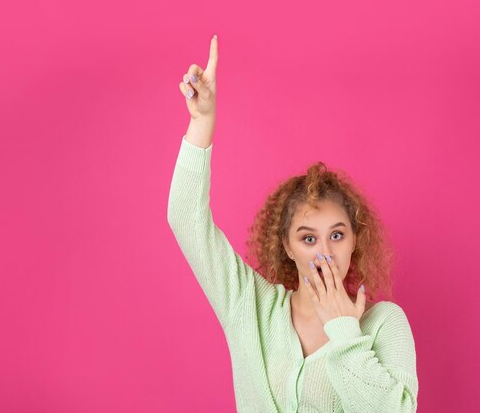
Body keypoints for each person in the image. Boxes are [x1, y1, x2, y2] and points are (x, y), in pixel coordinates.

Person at [169, 35, 418, 413]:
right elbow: (186, 219)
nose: (324, 252)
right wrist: (202, 121)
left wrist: (344, 332)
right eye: (307, 238)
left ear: (355, 241)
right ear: (286, 246)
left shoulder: (385, 323)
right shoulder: (250, 305)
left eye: (337, 234)